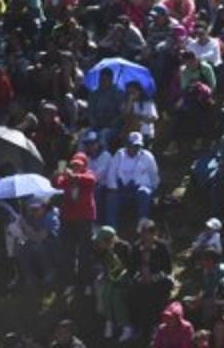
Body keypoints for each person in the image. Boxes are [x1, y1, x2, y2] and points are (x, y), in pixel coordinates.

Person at [54, 152, 97, 288]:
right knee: (68, 250)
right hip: (68, 218)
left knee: (85, 250)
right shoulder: (66, 178)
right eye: (73, 165)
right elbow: (58, 185)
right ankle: (69, 280)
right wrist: (56, 175)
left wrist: (73, 176)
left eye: (79, 165)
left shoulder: (89, 175)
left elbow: (90, 181)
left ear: (84, 166)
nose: (75, 167)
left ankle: (84, 280)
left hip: (84, 218)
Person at [128, 218, 174, 333]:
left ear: (154, 233)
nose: (145, 237)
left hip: (158, 279)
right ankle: (138, 325)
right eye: (143, 234)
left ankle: (156, 324)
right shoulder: (136, 247)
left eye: (148, 233)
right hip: (141, 279)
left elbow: (168, 269)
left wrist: (154, 278)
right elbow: (131, 268)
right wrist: (140, 278)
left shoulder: (162, 247)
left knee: (156, 293)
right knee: (135, 292)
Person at [105, 131, 160, 226]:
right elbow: (111, 173)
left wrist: (154, 188)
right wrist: (113, 187)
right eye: (133, 145)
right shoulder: (119, 154)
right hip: (122, 187)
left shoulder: (148, 156)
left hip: (140, 187)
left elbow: (154, 174)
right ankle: (111, 228)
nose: (135, 148)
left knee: (144, 192)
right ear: (127, 144)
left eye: (138, 146)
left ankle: (142, 226)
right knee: (111, 197)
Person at [92, 225, 133, 341]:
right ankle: (110, 322)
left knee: (115, 294)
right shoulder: (101, 250)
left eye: (100, 242)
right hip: (111, 280)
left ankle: (126, 327)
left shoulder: (124, 247)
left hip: (125, 280)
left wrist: (112, 255)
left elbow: (123, 271)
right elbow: (104, 269)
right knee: (106, 291)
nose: (98, 244)